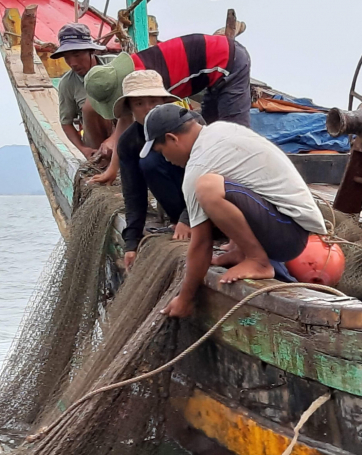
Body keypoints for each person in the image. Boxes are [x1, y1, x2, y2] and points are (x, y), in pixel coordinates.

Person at [138, 104, 326, 318]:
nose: (165, 159)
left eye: (161, 151)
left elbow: (201, 244)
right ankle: (240, 251)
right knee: (220, 183)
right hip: (288, 227)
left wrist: (185, 298)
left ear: (172, 138)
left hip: (289, 234)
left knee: (208, 188)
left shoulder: (198, 165)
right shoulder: (218, 131)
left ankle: (258, 261)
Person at [84, 33, 251, 184]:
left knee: (234, 135)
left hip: (228, 61)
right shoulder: (130, 76)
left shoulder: (147, 83)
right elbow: (125, 120)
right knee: (208, 132)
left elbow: (140, 124)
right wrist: (112, 170)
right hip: (210, 71)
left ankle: (242, 186)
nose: (144, 106)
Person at [112, 71, 192, 271]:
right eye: (139, 104)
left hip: (208, 201)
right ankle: (176, 220)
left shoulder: (190, 126)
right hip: (179, 209)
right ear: (130, 108)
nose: (148, 109)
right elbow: (134, 194)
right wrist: (131, 243)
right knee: (149, 161)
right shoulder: (129, 142)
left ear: (165, 101)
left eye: (153, 101)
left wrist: (188, 218)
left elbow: (208, 175)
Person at [53, 23, 113, 158]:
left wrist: (114, 139)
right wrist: (83, 149)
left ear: (91, 51)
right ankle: (101, 161)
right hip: (97, 144)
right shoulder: (67, 83)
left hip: (124, 131)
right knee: (90, 106)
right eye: (67, 57)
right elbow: (66, 122)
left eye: (77, 55)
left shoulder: (114, 66)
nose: (72, 62)